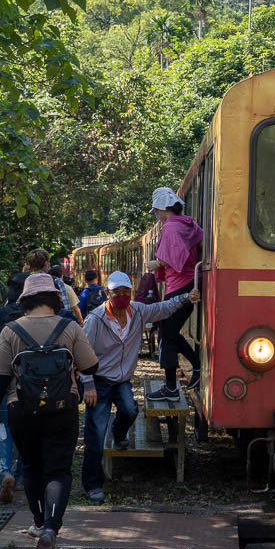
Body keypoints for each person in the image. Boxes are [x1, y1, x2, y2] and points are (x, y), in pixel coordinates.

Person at [0, 273, 98, 549]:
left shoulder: (10, 330)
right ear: (55, 299)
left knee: (32, 468)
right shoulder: (69, 327)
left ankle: (37, 521)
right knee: (58, 471)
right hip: (63, 409)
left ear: (25, 301)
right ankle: (52, 528)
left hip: (22, 409)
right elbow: (91, 365)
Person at [79, 271, 196, 504]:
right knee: (95, 435)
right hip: (99, 382)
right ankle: (92, 485)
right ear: (107, 293)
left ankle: (119, 433)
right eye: (116, 292)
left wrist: (185, 298)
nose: (121, 296)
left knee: (131, 410)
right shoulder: (95, 319)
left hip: (121, 381)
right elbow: (82, 352)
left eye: (125, 292)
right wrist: (88, 384)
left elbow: (164, 307)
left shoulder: (139, 311)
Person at [146, 186, 203, 402]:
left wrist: (156, 263)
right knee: (169, 333)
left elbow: (173, 258)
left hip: (179, 285)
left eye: (157, 213)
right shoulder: (188, 223)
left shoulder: (170, 227)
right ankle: (181, 377)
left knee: (167, 335)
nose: (158, 217)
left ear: (161, 210)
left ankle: (184, 376)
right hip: (189, 282)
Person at [0, 272, 29, 503]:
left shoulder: (1, 314)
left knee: (3, 432)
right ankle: (23, 477)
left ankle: (5, 472)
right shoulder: (31, 315)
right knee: (25, 433)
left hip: (5, 380)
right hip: (28, 384)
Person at [22, 249, 83, 325]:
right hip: (54, 325)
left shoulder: (23, 281)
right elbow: (65, 308)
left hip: (27, 325)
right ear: (46, 263)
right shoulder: (57, 281)